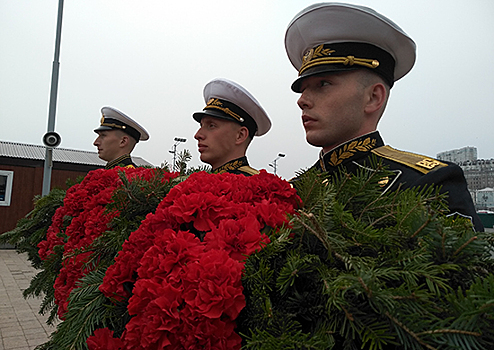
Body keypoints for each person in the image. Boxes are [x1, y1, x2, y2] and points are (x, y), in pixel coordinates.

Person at [285, 3, 483, 231]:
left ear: (373, 97)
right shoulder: (294, 190)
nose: (302, 100)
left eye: (323, 84)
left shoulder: (428, 184)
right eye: (303, 89)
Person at [193, 78, 271, 176]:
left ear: (240, 135)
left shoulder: (256, 188)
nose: (197, 135)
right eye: (201, 125)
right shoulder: (200, 183)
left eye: (211, 126)